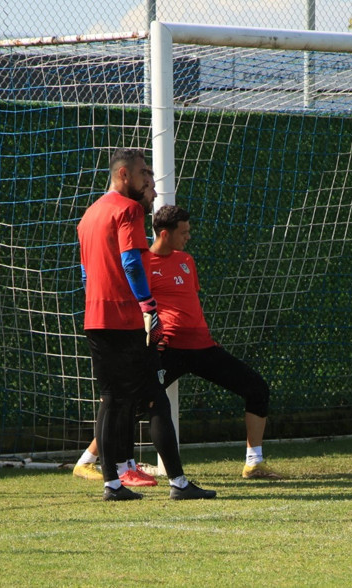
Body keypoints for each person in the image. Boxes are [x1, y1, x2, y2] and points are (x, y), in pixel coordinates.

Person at [74, 204, 283, 481]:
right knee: (127, 405)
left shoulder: (186, 260)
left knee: (257, 388)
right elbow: (137, 305)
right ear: (164, 233)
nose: (188, 237)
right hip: (168, 348)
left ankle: (254, 463)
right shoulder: (142, 263)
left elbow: (189, 302)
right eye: (183, 232)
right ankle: (87, 461)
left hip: (203, 347)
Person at [77, 147, 216, 500]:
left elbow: (85, 272)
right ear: (124, 175)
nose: (148, 182)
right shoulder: (128, 209)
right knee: (154, 400)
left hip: (96, 317)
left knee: (113, 400)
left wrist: (96, 301)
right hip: (125, 321)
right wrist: (149, 307)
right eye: (144, 175)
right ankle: (178, 484)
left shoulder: (89, 215)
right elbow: (131, 263)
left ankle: (112, 483)